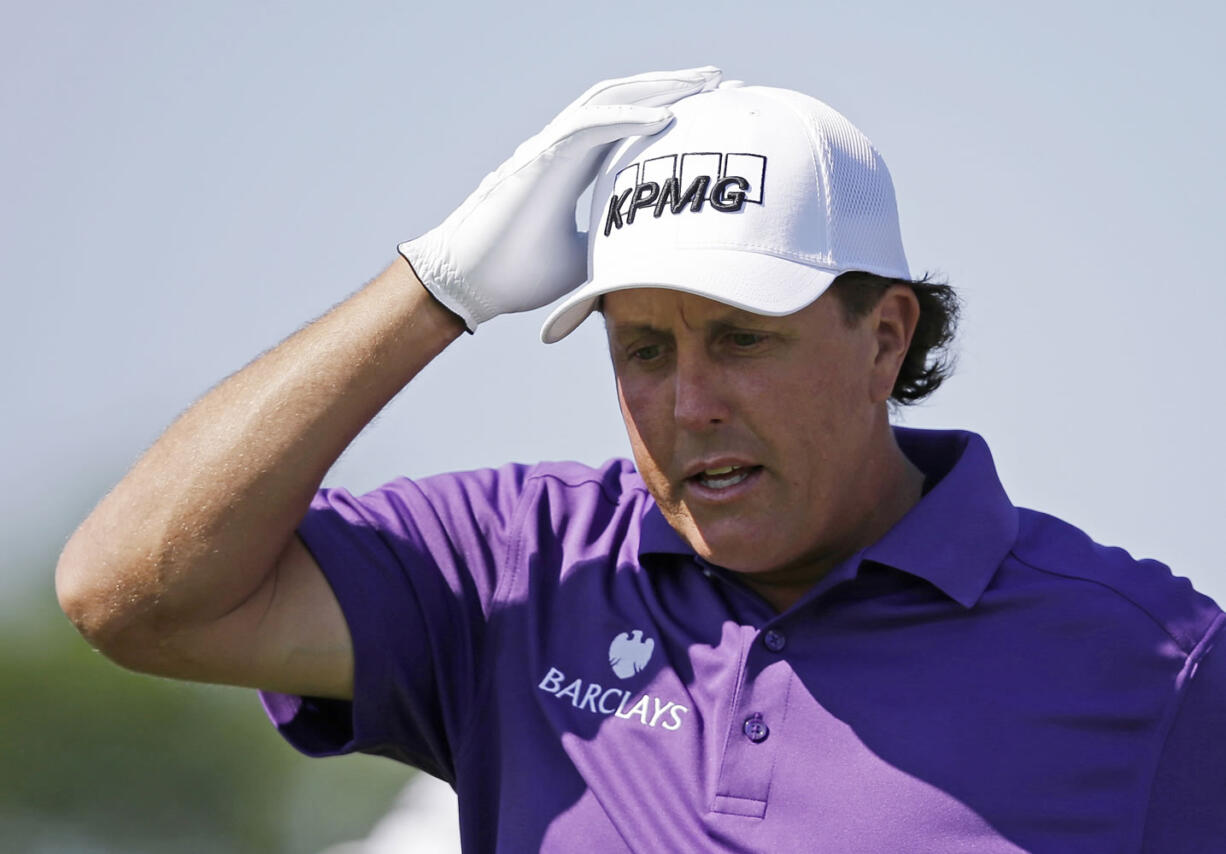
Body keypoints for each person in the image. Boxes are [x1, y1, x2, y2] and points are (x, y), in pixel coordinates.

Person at [56, 67, 1226, 853]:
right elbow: (130, 594)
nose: (686, 402)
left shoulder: (1152, 664)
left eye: (739, 339)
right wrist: (433, 287)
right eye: (641, 347)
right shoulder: (517, 568)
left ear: (884, 338)